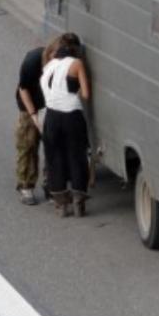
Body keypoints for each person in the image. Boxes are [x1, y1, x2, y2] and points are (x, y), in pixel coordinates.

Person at [39, 33, 91, 217]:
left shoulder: (48, 66)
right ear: (76, 49)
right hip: (71, 116)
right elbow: (85, 94)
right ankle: (78, 201)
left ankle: (62, 205)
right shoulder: (76, 64)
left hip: (51, 117)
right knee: (76, 156)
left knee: (55, 159)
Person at [14, 38, 59, 205]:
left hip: (51, 106)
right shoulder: (33, 60)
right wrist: (33, 115)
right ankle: (26, 186)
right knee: (28, 144)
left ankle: (52, 185)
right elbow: (23, 88)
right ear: (49, 52)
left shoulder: (61, 64)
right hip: (30, 105)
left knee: (53, 146)